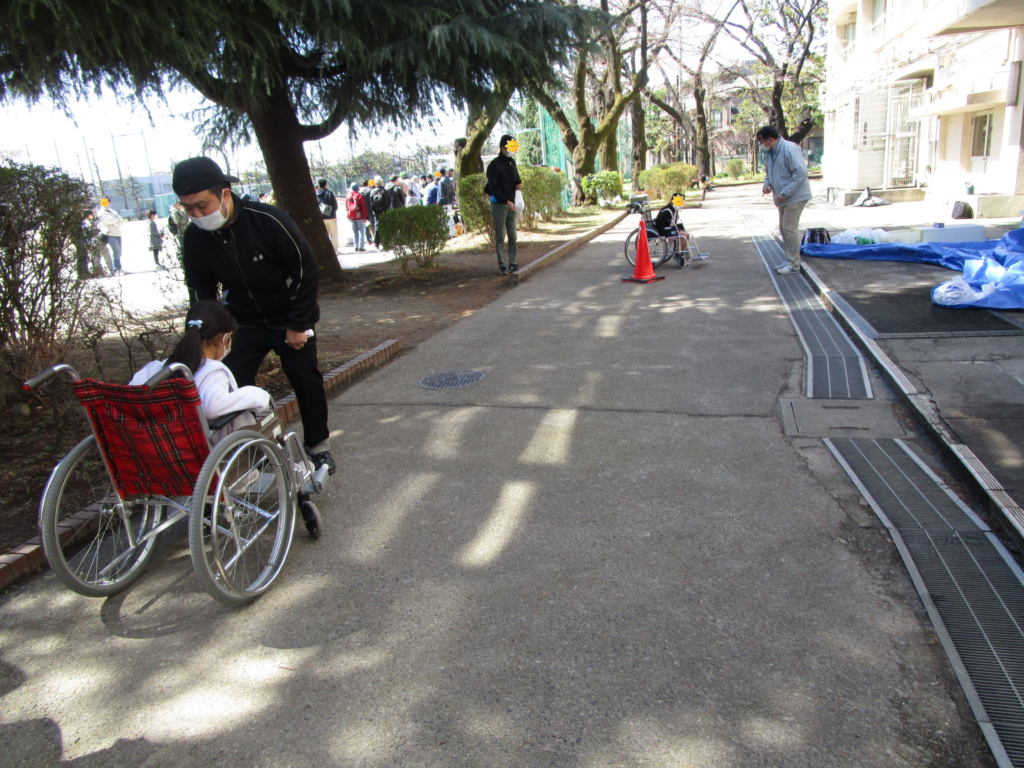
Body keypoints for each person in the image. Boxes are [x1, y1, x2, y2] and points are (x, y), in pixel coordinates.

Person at [171, 156, 336, 475]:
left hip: (289, 316)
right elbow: (201, 293)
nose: (197, 215)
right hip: (241, 322)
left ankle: (319, 448)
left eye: (202, 206)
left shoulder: (269, 219)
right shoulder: (195, 238)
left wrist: (297, 324)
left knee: (306, 381)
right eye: (188, 209)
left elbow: (306, 269)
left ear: (224, 194)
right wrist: (204, 338)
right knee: (227, 382)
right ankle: (251, 451)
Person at [129, 300, 272, 443]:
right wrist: (256, 395)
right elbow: (213, 406)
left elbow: (130, 400)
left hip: (158, 448)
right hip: (203, 450)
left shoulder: (152, 370)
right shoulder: (212, 371)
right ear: (225, 338)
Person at [758, 125, 812, 275]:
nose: (761, 144)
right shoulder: (770, 153)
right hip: (782, 198)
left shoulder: (789, 149)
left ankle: (794, 264)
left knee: (789, 229)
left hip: (795, 196)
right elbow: (769, 173)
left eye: (761, 141)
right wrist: (767, 184)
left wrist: (785, 192)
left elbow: (801, 173)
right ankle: (790, 260)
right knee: (784, 229)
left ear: (770, 139)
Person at [485, 133, 523, 275]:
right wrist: (506, 202)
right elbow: (494, 188)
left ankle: (513, 262)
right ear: (502, 147)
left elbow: (516, 179)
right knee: (500, 237)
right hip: (500, 205)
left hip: (512, 204)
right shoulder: (494, 165)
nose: (511, 151)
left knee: (513, 236)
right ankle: (502, 265)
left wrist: (519, 185)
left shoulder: (512, 162)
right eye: (509, 148)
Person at [653, 194, 692, 264]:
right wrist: (662, 235)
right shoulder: (667, 210)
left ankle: (680, 253)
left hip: (669, 228)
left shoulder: (674, 209)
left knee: (687, 235)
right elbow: (659, 221)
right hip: (664, 229)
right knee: (683, 235)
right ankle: (678, 255)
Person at [97, 200, 124, 275]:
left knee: (119, 252)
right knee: (116, 251)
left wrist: (114, 223)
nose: (106, 204)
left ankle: (119, 267)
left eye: (107, 202)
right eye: (104, 203)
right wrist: (114, 221)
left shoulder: (113, 212)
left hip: (118, 233)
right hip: (110, 234)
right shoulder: (101, 213)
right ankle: (116, 268)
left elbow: (121, 221)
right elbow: (109, 220)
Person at [315, 178, 339, 252]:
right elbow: (335, 206)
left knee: (325, 235)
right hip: (331, 217)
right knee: (334, 234)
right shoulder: (329, 193)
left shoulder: (315, 194)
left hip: (321, 217)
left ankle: (325, 250)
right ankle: (334, 249)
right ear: (325, 184)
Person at [345, 182, 370, 252]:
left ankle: (356, 246)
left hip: (351, 216)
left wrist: (348, 215)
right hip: (359, 216)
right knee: (361, 232)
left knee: (354, 232)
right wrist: (365, 217)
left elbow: (346, 207)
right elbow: (363, 207)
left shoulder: (348, 196)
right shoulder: (359, 196)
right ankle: (361, 247)